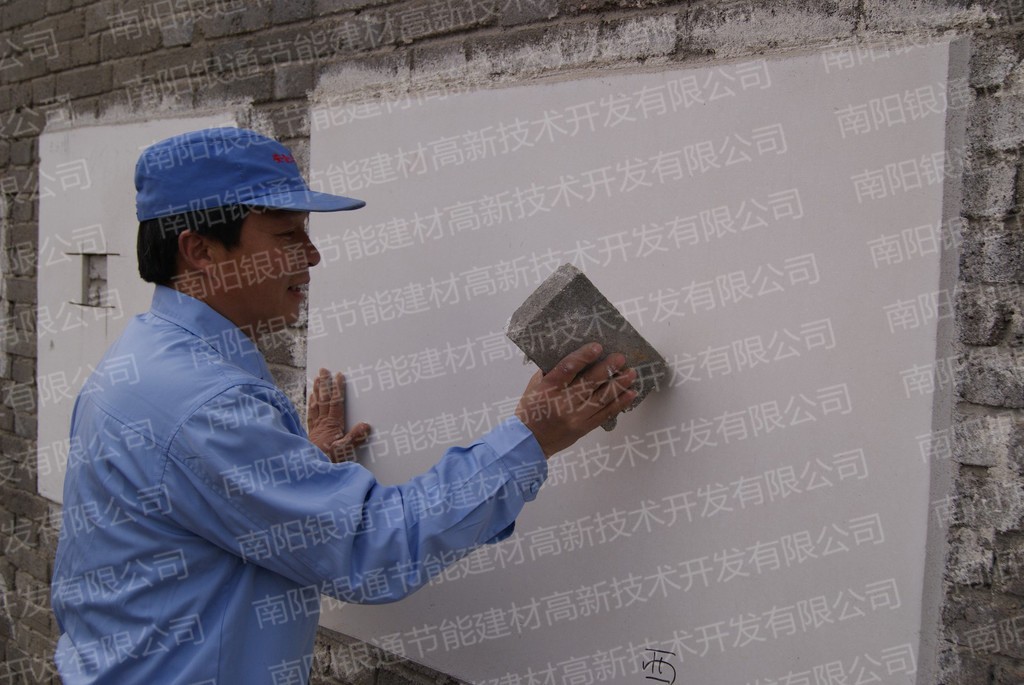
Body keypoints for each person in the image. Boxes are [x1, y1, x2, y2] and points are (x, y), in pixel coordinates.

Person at [50, 127, 638, 684]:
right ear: (200, 250)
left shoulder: (143, 359)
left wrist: (291, 469)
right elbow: (371, 549)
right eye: (287, 236)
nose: (312, 257)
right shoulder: (204, 404)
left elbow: (194, 505)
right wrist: (531, 437)